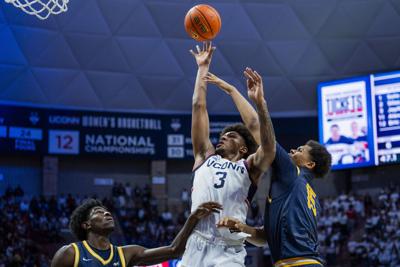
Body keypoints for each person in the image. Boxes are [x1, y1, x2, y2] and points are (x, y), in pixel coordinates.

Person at [205, 72, 332, 266]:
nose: (292, 150)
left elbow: (256, 126)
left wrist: (248, 97)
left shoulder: (292, 172)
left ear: (310, 164)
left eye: (299, 150)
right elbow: (265, 237)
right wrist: (240, 227)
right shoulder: (310, 197)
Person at [181, 42, 275, 267]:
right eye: (223, 135)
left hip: (228, 249)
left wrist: (237, 92)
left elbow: (264, 140)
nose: (223, 137)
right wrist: (202, 68)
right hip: (195, 245)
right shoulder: (205, 157)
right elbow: (198, 106)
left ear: (243, 149)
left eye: (231, 136)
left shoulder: (249, 166)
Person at [51, 198, 221, 267]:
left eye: (107, 211)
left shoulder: (126, 254)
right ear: (86, 225)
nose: (107, 213)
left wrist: (193, 218)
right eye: (98, 212)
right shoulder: (70, 253)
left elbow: (174, 250)